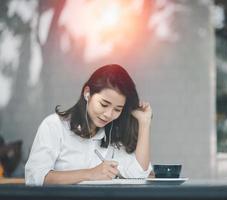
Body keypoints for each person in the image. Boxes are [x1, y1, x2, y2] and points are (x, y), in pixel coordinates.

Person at [25, 64, 153, 185]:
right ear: (87, 93)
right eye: (104, 104)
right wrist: (90, 174)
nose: (109, 114)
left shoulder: (112, 135)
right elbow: (34, 177)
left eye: (117, 109)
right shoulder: (54, 126)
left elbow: (138, 174)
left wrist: (144, 122)